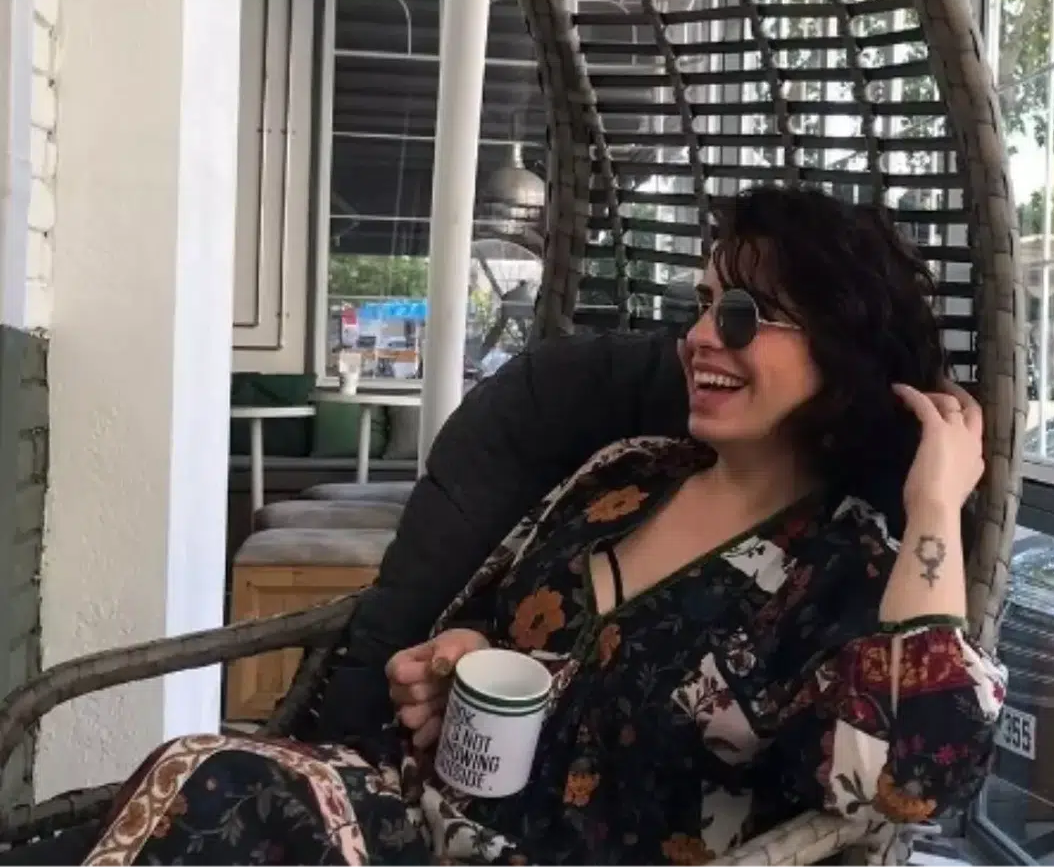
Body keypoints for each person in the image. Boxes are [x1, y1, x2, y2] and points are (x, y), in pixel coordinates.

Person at [75, 185, 1005, 866]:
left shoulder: (848, 571)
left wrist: (933, 505)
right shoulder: (626, 475)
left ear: (842, 348)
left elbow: (912, 775)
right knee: (204, 776)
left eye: (741, 315)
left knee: (220, 785)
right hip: (411, 819)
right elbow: (480, 621)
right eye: (699, 308)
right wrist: (452, 665)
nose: (698, 338)